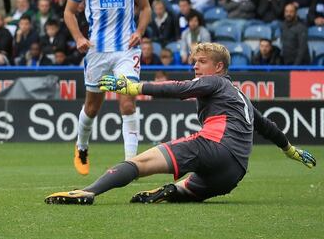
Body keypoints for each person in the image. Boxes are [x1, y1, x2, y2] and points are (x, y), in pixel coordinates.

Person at [45, 43, 317, 205]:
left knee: (140, 164)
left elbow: (179, 88)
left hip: (213, 147)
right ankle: (171, 191)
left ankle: (88, 191)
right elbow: (267, 127)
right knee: (186, 188)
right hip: (233, 174)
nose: (195, 67)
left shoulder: (215, 82)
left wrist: (133, 86)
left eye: (202, 62)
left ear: (220, 67)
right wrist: (291, 150)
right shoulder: (241, 96)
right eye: (194, 62)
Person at [64, 0, 152, 175]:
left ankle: (131, 164)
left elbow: (145, 8)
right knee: (92, 107)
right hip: (97, 52)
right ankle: (81, 147)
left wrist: (140, 31)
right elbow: (69, 11)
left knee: (127, 103)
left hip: (126, 50)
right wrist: (79, 37)